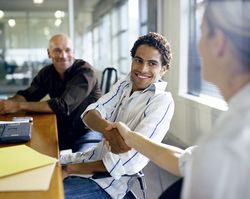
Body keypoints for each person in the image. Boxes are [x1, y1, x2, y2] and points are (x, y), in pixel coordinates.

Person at [107, 0, 250, 198]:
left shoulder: (230, 140)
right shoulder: (237, 118)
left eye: (201, 32)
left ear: (218, 42)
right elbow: (185, 160)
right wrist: (130, 136)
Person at [60, 32, 175, 199]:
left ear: (163, 69)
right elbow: (90, 114)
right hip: (88, 158)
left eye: (152, 64)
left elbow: (131, 161)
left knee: (45, 194)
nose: (143, 69)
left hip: (107, 184)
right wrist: (109, 132)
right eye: (138, 60)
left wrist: (70, 169)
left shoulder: (162, 102)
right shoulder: (125, 83)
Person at [0, 34, 102, 152]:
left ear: (73, 52)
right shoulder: (47, 73)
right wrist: (7, 104)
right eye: (57, 50)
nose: (63, 56)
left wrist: (17, 106)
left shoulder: (85, 71)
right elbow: (28, 95)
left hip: (87, 131)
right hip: (63, 130)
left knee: (77, 165)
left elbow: (62, 106)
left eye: (67, 50)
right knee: (28, 152)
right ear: (49, 53)